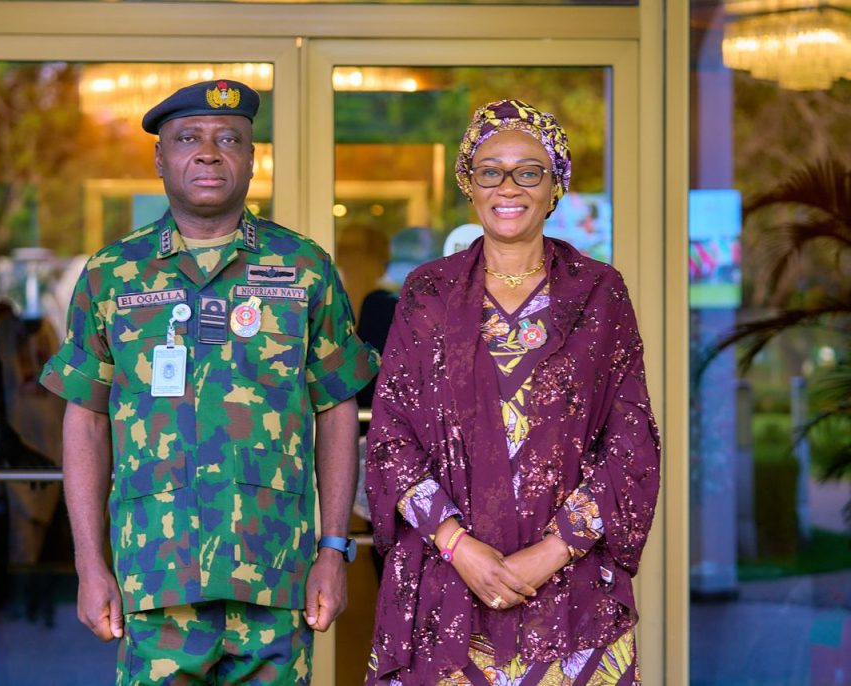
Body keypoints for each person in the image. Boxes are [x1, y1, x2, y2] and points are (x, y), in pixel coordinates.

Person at [40, 78, 379, 685]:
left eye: (230, 139)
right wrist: (90, 565)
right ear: (159, 158)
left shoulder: (304, 269)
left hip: (276, 572)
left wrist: (334, 549)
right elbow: (85, 420)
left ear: (252, 159)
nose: (207, 151)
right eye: (188, 138)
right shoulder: (112, 275)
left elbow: (336, 410)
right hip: (156, 577)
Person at [364, 99, 661, 685]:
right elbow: (391, 435)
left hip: (568, 589)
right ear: (467, 185)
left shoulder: (600, 292)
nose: (509, 186)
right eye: (490, 170)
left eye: (529, 171)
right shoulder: (429, 292)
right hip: (446, 584)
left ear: (556, 187)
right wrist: (458, 547)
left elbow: (631, 443)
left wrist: (554, 551)